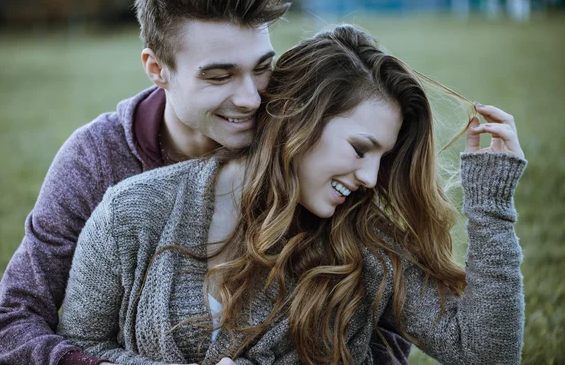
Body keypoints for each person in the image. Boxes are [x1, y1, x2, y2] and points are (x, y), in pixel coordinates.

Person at [0, 0, 410, 365]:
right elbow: (7, 328)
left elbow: (384, 329)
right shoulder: (97, 160)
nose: (252, 99)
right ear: (157, 69)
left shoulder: (306, 148)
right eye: (219, 76)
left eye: (262, 68)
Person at [56, 24, 526, 365]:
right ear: (299, 119)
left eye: (382, 158)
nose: (371, 177)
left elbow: (485, 354)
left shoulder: (365, 243)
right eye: (361, 149)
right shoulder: (130, 213)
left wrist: (492, 206)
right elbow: (76, 351)